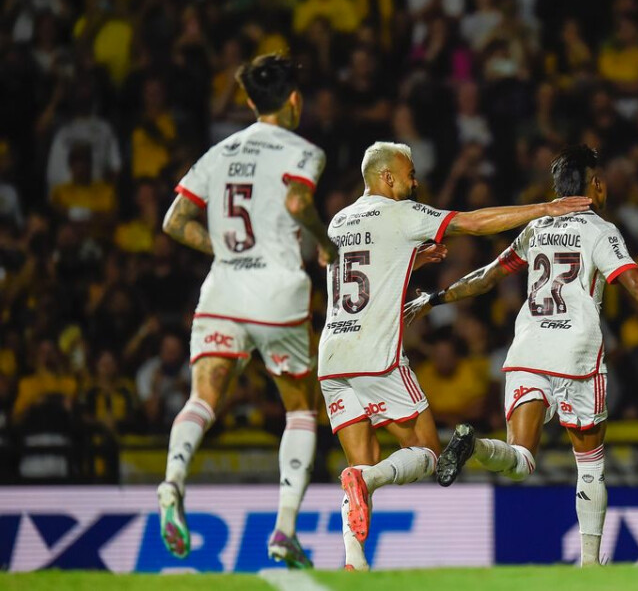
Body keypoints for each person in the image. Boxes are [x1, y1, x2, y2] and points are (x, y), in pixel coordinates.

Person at [404, 144, 638, 567]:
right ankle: (590, 565)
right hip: (575, 353)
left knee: (521, 459)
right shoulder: (599, 230)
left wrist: (436, 298)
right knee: (589, 462)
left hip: (528, 350)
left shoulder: (536, 229)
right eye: (600, 178)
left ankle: (475, 445)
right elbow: (632, 282)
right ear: (593, 185)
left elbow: (488, 276)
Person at [324, 141, 591, 571]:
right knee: (427, 451)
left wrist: (411, 259)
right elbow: (474, 222)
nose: (416, 182)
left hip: (332, 357)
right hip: (376, 356)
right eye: (409, 174)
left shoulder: (340, 221)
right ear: (386, 177)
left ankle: (354, 559)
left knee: (361, 457)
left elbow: (364, 270)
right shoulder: (401, 214)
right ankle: (367, 480)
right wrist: (543, 209)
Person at [156, 54, 337, 568]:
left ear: (251, 102)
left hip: (223, 290)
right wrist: (324, 244)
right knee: (301, 408)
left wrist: (227, 250)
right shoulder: (304, 152)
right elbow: (300, 206)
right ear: (294, 101)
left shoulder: (220, 152)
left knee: (204, 398)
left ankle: (172, 481)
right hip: (277, 292)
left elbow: (174, 220)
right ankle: (283, 529)